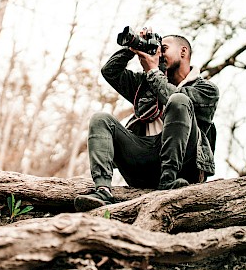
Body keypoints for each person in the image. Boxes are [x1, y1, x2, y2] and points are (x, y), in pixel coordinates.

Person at [74, 27, 219, 212]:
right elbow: (110, 71)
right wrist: (132, 48)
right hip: (144, 162)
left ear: (183, 52)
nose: (159, 53)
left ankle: (169, 181)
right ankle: (102, 191)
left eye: (164, 48)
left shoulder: (207, 89)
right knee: (101, 119)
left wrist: (152, 71)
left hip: (183, 167)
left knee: (179, 100)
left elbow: (173, 97)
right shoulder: (145, 85)